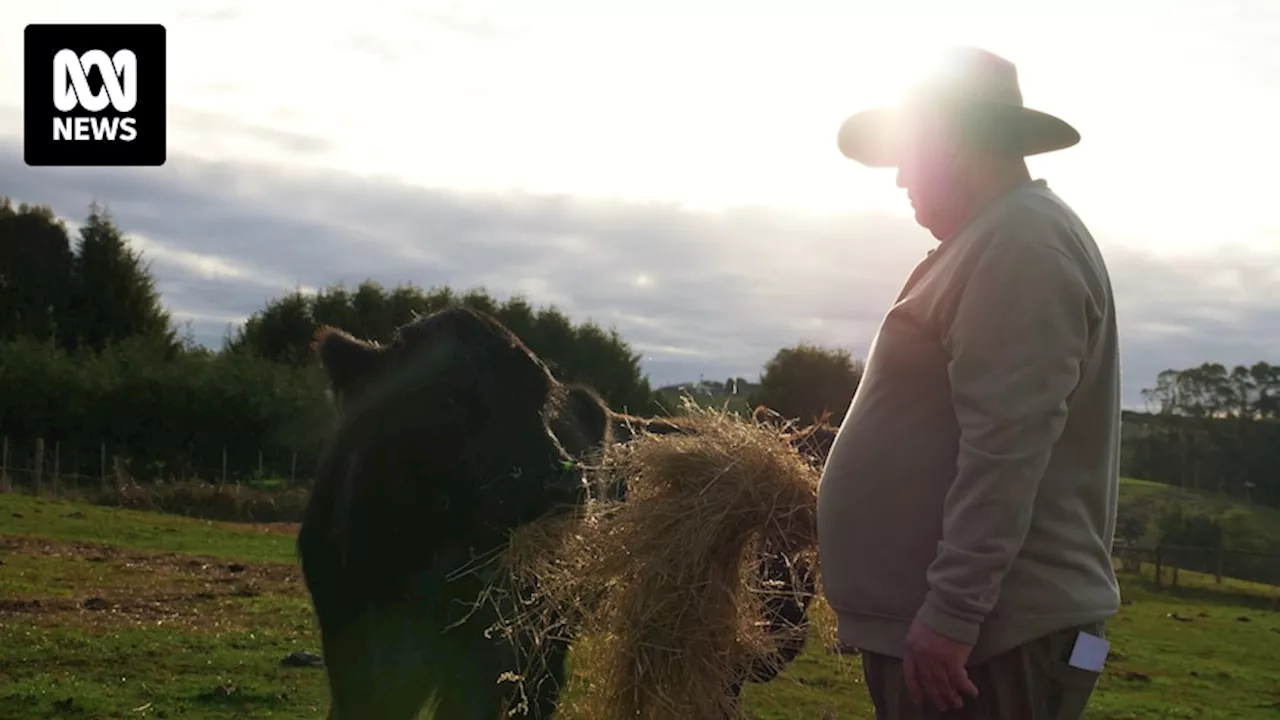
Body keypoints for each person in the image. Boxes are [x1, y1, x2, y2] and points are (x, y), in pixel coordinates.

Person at [815, 46, 1122, 719]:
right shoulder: (990, 242)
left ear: (951, 139)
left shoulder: (1022, 246)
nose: (898, 179)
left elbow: (1006, 447)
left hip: (991, 645)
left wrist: (953, 613)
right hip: (974, 640)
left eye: (907, 153)